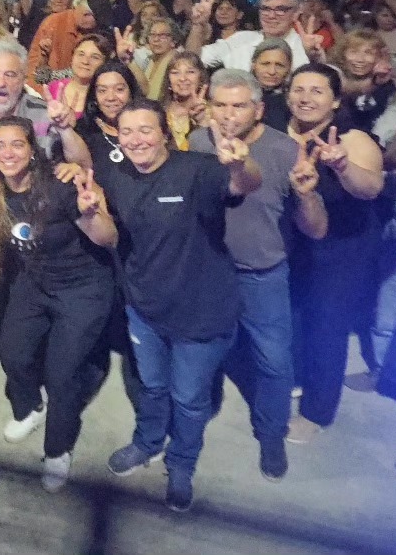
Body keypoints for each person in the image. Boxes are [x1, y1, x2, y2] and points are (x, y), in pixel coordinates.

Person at [98, 99, 261, 512]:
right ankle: (148, 442)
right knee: (152, 386)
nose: (136, 140)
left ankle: (182, 464)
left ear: (165, 133)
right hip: (145, 308)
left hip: (202, 312)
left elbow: (243, 185)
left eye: (145, 130)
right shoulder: (118, 176)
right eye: (127, 131)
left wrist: (240, 165)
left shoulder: (199, 169)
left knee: (189, 399)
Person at [0, 117, 118, 492]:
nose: (7, 153)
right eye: (0, 145)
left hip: (83, 289)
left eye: (17, 144)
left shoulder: (60, 184)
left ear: (32, 150)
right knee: (13, 351)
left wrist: (92, 213)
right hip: (35, 282)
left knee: (61, 374)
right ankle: (31, 408)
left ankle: (57, 449)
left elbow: (108, 238)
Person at [190, 69, 326, 479]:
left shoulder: (286, 150)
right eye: (220, 105)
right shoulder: (199, 142)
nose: (228, 115)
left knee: (274, 361)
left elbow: (316, 229)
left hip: (262, 274)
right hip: (211, 271)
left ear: (259, 109)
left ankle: (271, 434)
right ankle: (200, 412)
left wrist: (307, 195)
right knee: (202, 350)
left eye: (239, 106)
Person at [283, 63, 385, 440]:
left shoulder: (352, 139)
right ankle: (298, 380)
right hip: (295, 239)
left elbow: (371, 188)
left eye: (317, 90)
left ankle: (317, 411)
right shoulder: (280, 131)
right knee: (294, 316)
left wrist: (342, 166)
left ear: (335, 100)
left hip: (344, 246)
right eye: (299, 89)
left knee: (326, 325)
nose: (305, 98)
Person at [189, 0, 317, 71]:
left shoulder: (306, 48)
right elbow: (191, 61)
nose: (271, 15)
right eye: (265, 9)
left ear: (296, 13)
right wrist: (197, 25)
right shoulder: (240, 40)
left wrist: (313, 58)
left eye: (280, 9)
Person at [329, 28, 395, 135]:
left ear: (379, 57)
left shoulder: (386, 85)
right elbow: (343, 87)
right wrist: (372, 83)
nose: (360, 59)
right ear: (342, 54)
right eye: (353, 52)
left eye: (368, 53)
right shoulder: (333, 75)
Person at [158, 50, 209, 151]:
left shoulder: (213, 113)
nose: (182, 78)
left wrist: (202, 121)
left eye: (190, 72)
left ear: (201, 78)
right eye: (175, 73)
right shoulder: (158, 112)